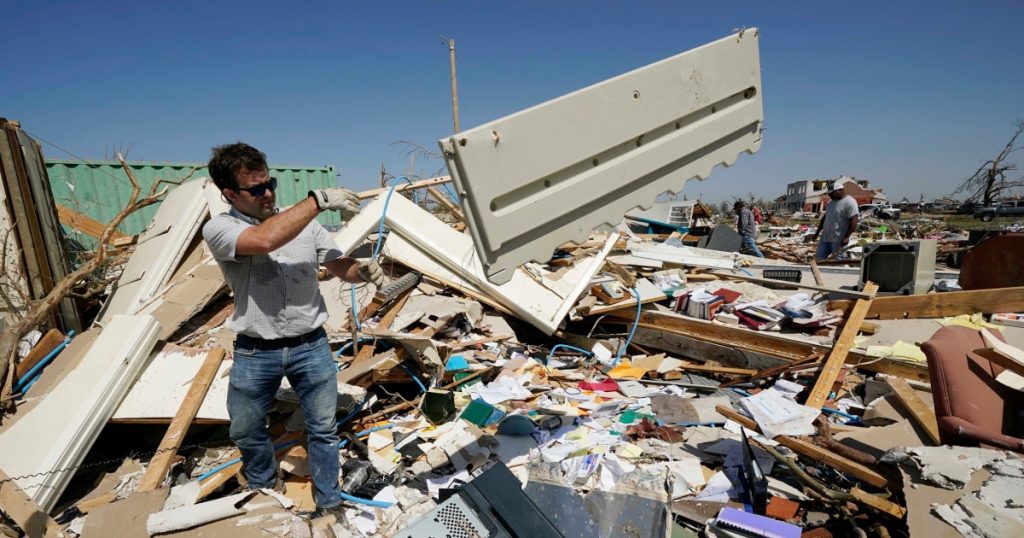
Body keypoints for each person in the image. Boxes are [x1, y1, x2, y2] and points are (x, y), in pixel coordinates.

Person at [202, 142, 385, 514]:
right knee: (245, 430)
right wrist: (318, 199)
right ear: (230, 194)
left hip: (311, 345)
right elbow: (267, 239)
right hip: (256, 351)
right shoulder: (220, 228)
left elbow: (339, 267)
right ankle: (265, 490)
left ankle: (329, 503)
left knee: (323, 429)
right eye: (255, 190)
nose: (267, 194)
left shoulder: (307, 226)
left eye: (270, 184)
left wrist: (361, 270)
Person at [811, 180, 859, 260]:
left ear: (840, 190)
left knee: (837, 261)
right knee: (819, 259)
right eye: (829, 193)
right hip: (825, 238)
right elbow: (824, 218)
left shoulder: (850, 202)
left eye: (832, 193)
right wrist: (817, 233)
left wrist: (847, 237)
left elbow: (854, 220)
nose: (830, 195)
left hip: (839, 240)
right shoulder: (831, 202)